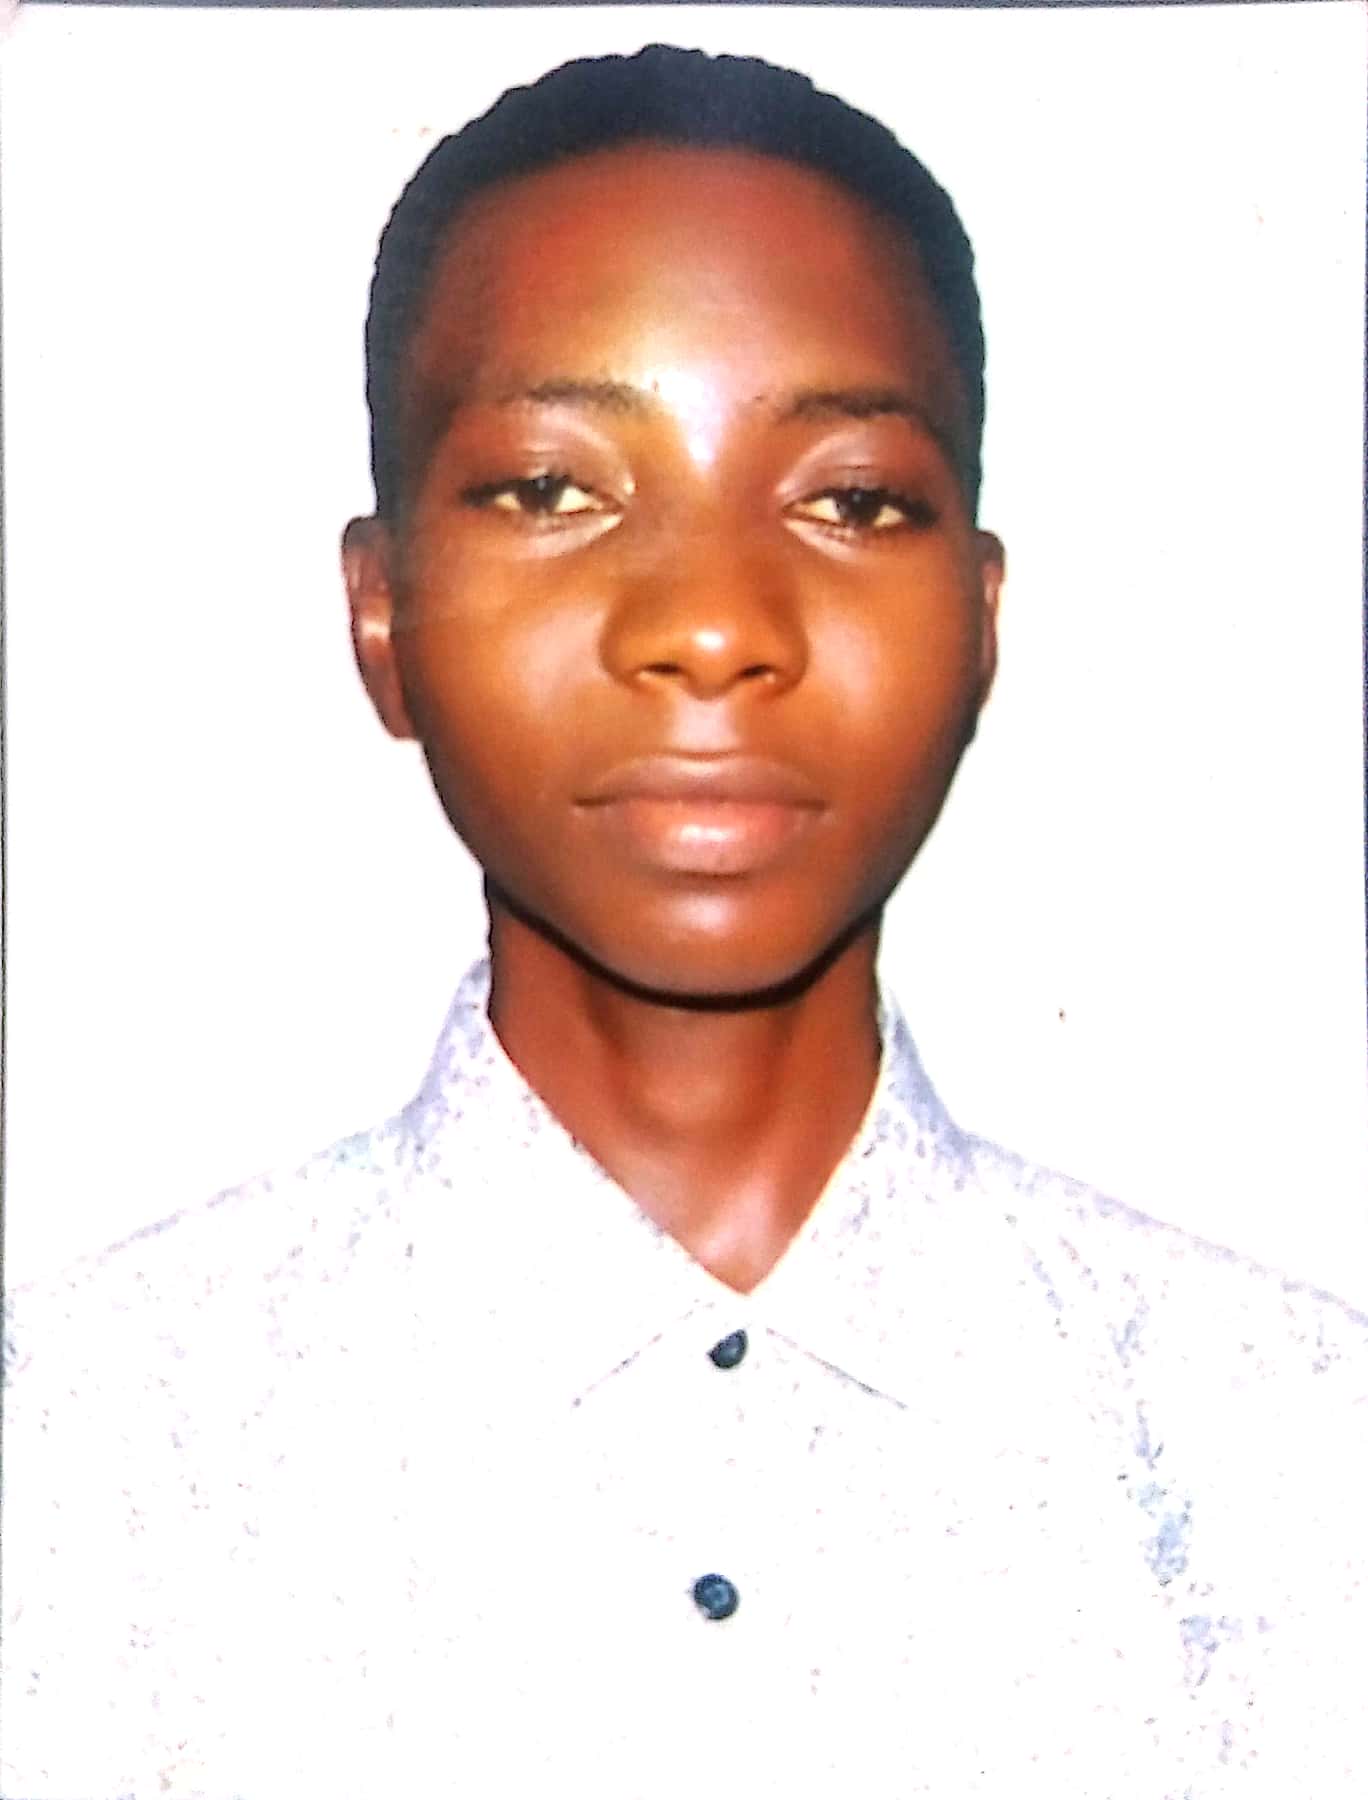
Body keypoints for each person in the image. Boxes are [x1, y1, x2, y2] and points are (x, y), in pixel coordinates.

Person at [3, 44, 1363, 1800]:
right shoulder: (74, 1460)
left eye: (851, 500)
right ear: (382, 619)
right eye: (551, 490)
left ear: (979, 624)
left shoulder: (1300, 1465)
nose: (714, 625)